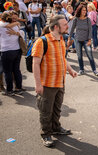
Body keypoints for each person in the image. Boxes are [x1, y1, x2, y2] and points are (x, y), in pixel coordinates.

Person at [32, 15, 78, 147]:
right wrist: (38, 84)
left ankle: (56, 128)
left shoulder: (61, 39)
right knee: (46, 111)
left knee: (57, 109)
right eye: (64, 24)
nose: (67, 26)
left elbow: (62, 58)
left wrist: (70, 70)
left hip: (60, 82)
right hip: (47, 84)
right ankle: (46, 134)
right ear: (56, 27)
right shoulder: (42, 41)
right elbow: (35, 64)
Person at [68, 4, 98, 76]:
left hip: (86, 40)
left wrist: (89, 40)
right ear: (80, 11)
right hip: (77, 40)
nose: (85, 12)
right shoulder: (76, 19)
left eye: (85, 10)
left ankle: (94, 70)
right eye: (83, 10)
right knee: (79, 56)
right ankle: (81, 70)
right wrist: (69, 38)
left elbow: (90, 31)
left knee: (90, 56)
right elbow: (72, 29)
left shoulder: (88, 19)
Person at [0, 11, 24, 96]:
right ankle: (19, 88)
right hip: (17, 50)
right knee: (16, 70)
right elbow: (21, 33)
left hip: (6, 50)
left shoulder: (1, 25)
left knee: (7, 72)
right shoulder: (16, 25)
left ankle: (9, 90)